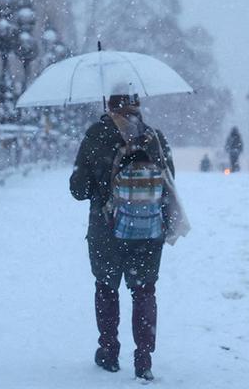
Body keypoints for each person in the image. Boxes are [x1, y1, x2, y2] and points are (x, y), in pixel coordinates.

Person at [70, 94, 180, 382]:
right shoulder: (154, 137)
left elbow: (78, 190)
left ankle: (108, 351)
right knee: (144, 291)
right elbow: (170, 180)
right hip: (148, 229)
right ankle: (143, 358)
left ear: (110, 105)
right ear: (137, 106)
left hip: (106, 228)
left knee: (107, 288)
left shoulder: (96, 135)